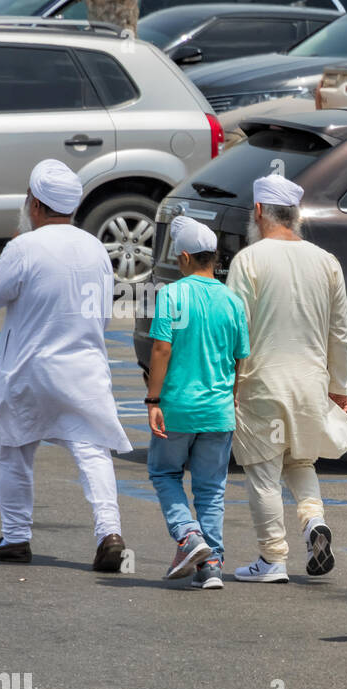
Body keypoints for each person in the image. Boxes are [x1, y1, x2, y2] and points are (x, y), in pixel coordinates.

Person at [0, 159, 131, 572]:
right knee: (93, 451)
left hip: (29, 371)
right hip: (83, 370)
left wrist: (13, 250)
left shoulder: (25, 246)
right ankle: (109, 535)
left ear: (36, 205)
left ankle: (16, 537)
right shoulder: (95, 247)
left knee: (15, 451)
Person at [226, 173, 347, 583]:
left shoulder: (248, 260)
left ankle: (272, 559)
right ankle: (312, 524)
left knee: (264, 470)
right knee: (300, 460)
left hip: (261, 383)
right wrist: (338, 388)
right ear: (296, 216)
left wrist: (228, 384)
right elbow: (341, 331)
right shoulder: (326, 262)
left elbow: (234, 328)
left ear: (258, 212)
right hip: (310, 384)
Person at [145, 216, 250, 589]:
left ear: (185, 258)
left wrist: (153, 399)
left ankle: (188, 536)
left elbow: (161, 348)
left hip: (177, 407)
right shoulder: (233, 302)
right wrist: (231, 401)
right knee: (211, 488)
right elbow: (240, 359)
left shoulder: (173, 295)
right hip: (219, 411)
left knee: (164, 473)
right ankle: (212, 566)